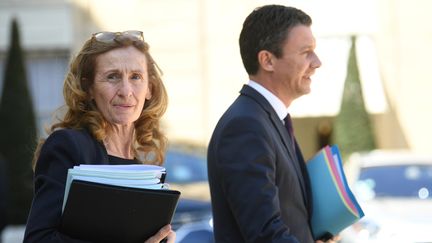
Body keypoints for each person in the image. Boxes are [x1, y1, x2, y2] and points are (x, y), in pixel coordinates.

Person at [24, 30, 175, 243]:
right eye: (112, 76)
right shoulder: (68, 147)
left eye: (136, 77)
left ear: (149, 88)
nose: (126, 90)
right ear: (88, 88)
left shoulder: (142, 167)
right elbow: (38, 239)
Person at [207, 5, 339, 243]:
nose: (317, 62)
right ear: (267, 60)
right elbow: (264, 233)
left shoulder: (268, 119)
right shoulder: (246, 126)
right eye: (306, 52)